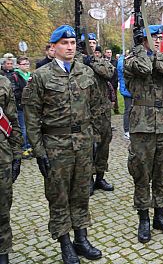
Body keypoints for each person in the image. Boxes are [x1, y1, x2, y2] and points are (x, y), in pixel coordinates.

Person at [23, 25, 103, 264]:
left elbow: (97, 107)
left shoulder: (86, 72)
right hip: (55, 145)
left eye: (72, 43)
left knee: (81, 192)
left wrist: (96, 139)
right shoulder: (41, 76)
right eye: (64, 43)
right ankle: (65, 242)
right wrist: (39, 151)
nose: (70, 47)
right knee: (58, 196)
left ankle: (81, 238)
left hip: (83, 143)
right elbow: (32, 116)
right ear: (53, 47)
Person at [124, 25, 163, 243]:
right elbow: (144, 69)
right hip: (142, 125)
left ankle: (160, 215)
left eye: (158, 37)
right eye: (152, 37)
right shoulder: (131, 59)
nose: (157, 41)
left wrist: (155, 55)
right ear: (141, 39)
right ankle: (143, 218)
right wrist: (140, 50)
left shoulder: (161, 58)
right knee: (141, 173)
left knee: (161, 172)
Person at [83, 34, 115, 193]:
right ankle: (88, 179)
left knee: (103, 147)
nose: (92, 45)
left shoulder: (99, 61)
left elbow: (109, 73)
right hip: (86, 114)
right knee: (89, 148)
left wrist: (94, 61)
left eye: (94, 42)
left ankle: (100, 178)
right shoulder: (78, 63)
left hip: (103, 114)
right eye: (89, 43)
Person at [0, 72, 23, 264]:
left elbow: (12, 119)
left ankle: (2, 251)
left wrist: (17, 154)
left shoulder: (3, 82)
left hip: (1, 154)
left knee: (2, 205)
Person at [14, 57, 33, 157]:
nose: (26, 66)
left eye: (28, 64)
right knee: (23, 128)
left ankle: (30, 146)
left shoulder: (31, 75)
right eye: (24, 64)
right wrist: (25, 95)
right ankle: (24, 148)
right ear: (18, 65)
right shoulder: (15, 76)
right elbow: (15, 92)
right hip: (21, 106)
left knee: (31, 127)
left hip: (31, 106)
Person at [117, 53, 132, 140]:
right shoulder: (122, 61)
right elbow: (124, 71)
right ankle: (126, 131)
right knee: (128, 110)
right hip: (127, 89)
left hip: (131, 89)